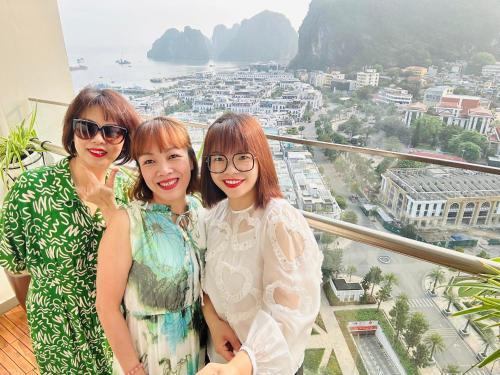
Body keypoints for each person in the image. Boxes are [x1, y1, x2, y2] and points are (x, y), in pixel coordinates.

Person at [0, 87, 141, 374]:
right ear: (72, 131)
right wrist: (39, 310)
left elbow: (137, 264)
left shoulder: (130, 194)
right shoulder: (32, 190)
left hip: (115, 324)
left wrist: (109, 211)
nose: (99, 139)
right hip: (57, 329)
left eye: (112, 131)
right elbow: (14, 263)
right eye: (87, 128)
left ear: (124, 140)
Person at [197, 113, 323, 375]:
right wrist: (215, 324)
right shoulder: (214, 217)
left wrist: (237, 367)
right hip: (219, 359)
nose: (230, 170)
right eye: (219, 159)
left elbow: (290, 312)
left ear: (260, 159)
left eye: (242, 157)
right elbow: (202, 287)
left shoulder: (278, 220)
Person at [96, 117, 207, 375]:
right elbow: (106, 305)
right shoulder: (128, 222)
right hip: (150, 358)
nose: (164, 170)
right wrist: (132, 368)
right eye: (149, 161)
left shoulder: (199, 210)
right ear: (141, 170)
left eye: (173, 156)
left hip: (197, 349)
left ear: (190, 159)